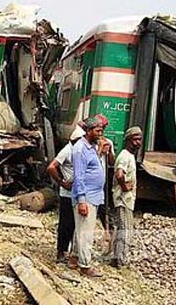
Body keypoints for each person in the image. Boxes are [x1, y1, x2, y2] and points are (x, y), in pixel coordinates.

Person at [69, 114, 107, 277]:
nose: (101, 134)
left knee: (81, 229)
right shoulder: (80, 149)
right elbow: (79, 176)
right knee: (86, 233)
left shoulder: (91, 147)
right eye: (98, 131)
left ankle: (74, 258)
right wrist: (82, 201)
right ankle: (85, 266)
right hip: (87, 197)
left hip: (94, 195)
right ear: (89, 131)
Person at [46, 125, 85, 262]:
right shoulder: (68, 150)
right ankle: (61, 251)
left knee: (75, 224)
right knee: (66, 224)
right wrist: (61, 182)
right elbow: (51, 167)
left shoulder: (79, 151)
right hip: (67, 194)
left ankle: (71, 251)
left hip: (78, 194)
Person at [111, 126, 142, 268]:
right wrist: (124, 186)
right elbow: (119, 174)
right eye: (135, 139)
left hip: (126, 199)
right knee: (126, 229)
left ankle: (116, 258)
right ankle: (121, 260)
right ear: (128, 140)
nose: (138, 143)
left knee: (122, 228)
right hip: (123, 199)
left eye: (140, 139)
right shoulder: (124, 156)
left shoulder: (129, 156)